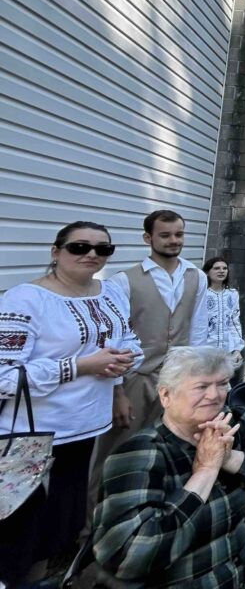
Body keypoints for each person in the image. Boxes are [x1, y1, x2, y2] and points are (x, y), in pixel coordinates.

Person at [0, 222, 142, 589]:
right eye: (79, 247)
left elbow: (126, 339)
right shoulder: (25, 300)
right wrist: (79, 366)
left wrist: (123, 366)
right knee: (19, 531)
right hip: (33, 436)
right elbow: (4, 376)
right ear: (56, 251)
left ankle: (40, 578)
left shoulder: (110, 293)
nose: (92, 254)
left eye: (103, 249)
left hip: (86, 428)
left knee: (57, 526)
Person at [92, 347, 245, 588]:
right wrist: (206, 470)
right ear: (166, 395)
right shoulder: (139, 455)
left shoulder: (230, 423)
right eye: (201, 386)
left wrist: (230, 459)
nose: (215, 395)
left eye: (222, 383)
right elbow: (128, 557)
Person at [91, 210, 208, 503]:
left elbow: (198, 332)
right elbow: (113, 338)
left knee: (168, 447)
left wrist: (196, 378)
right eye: (165, 235)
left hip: (177, 379)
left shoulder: (197, 277)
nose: (173, 240)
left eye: (178, 234)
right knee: (116, 451)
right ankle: (94, 519)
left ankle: (154, 507)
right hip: (135, 378)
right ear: (148, 238)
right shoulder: (123, 281)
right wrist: (118, 390)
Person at [201, 256, 244, 376]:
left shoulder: (232, 294)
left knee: (223, 382)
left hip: (226, 351)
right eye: (216, 268)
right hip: (204, 351)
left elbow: (234, 322)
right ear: (207, 272)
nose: (221, 271)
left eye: (224, 268)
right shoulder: (201, 294)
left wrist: (237, 349)